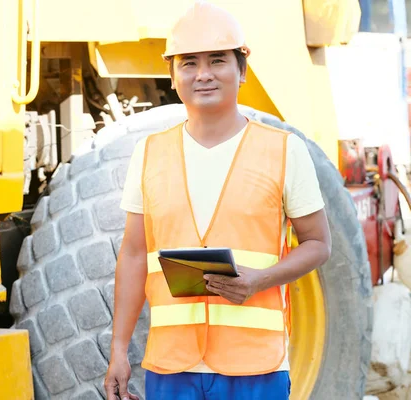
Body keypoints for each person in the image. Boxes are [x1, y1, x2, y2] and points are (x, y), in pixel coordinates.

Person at [103, 1, 332, 399]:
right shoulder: (149, 153)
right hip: (172, 366)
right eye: (189, 62)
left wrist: (259, 280)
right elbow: (134, 254)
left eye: (217, 61)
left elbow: (318, 244)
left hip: (255, 367)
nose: (203, 74)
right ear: (171, 74)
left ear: (242, 69)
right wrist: (118, 350)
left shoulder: (283, 151)